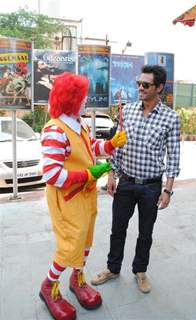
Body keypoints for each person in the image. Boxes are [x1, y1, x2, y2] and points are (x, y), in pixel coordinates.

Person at [39, 72, 127, 320]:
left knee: (85, 241)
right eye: (82, 96)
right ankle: (48, 286)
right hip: (66, 200)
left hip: (85, 197)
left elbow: (92, 149)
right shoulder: (55, 130)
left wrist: (111, 145)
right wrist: (89, 174)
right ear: (71, 98)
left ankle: (77, 279)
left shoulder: (80, 124)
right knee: (69, 245)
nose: (86, 99)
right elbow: (52, 175)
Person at [91, 65, 180, 294]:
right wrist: (112, 175)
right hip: (127, 183)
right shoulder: (127, 111)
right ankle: (112, 268)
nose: (140, 88)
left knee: (145, 233)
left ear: (159, 87)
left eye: (146, 85)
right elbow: (117, 147)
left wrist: (167, 190)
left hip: (151, 187)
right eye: (138, 83)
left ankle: (140, 271)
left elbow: (174, 157)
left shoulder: (171, 118)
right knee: (117, 229)